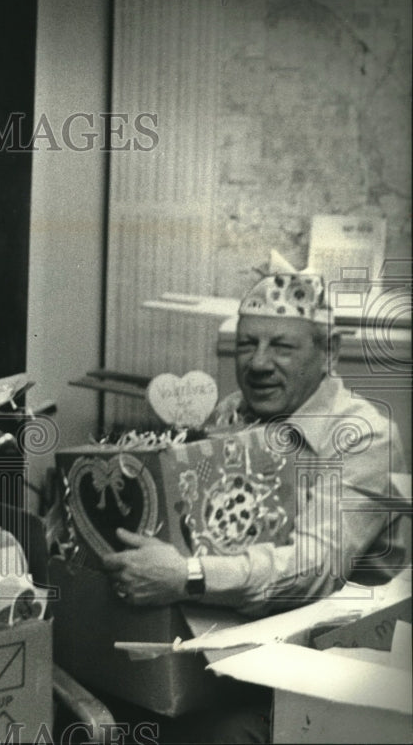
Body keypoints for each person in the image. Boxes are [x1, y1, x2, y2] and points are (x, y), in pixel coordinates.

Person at [102, 272, 409, 743]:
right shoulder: (232, 412)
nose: (259, 363)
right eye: (247, 344)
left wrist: (187, 575)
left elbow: (317, 567)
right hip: (229, 646)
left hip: (331, 668)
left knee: (213, 736)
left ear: (329, 351)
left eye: (282, 347)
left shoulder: (364, 435)